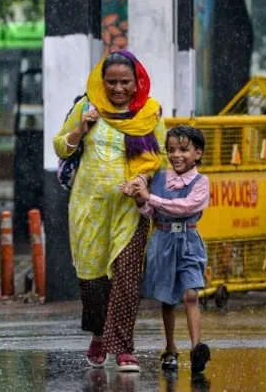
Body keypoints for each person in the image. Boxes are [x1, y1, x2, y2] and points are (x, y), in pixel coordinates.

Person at [53, 51, 165, 372]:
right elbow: (61, 146)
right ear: (102, 82)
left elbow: (159, 156)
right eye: (111, 81)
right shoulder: (87, 106)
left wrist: (142, 179)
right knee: (92, 276)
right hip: (88, 206)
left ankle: (124, 348)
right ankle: (100, 334)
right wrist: (80, 131)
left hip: (129, 208)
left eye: (124, 82)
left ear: (136, 82)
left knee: (127, 276)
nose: (117, 88)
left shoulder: (150, 112)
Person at [123, 125, 211, 374]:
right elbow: (150, 212)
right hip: (162, 241)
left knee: (190, 293)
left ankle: (197, 347)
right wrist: (140, 198)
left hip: (189, 241)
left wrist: (150, 197)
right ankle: (170, 348)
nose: (177, 155)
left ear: (197, 153)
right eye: (171, 150)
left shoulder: (201, 182)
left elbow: (185, 207)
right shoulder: (160, 178)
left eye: (184, 149)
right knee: (167, 298)